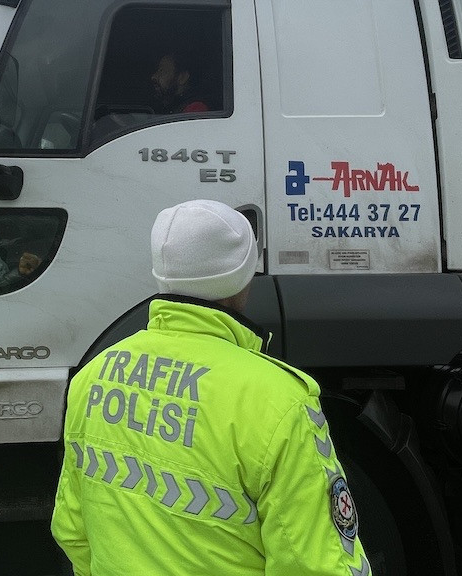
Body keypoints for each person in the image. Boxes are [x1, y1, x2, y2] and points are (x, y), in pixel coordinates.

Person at [52, 199, 371, 576]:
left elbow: (73, 530)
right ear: (243, 277)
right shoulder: (279, 401)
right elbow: (317, 565)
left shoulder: (94, 375)